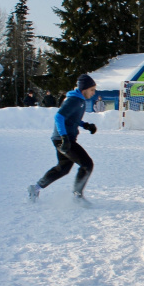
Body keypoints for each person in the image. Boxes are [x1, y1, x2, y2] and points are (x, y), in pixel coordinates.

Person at [28, 74, 98, 205]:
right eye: (92, 90)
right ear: (84, 90)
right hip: (64, 139)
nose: (94, 93)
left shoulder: (80, 100)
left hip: (64, 138)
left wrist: (85, 125)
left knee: (63, 168)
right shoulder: (74, 100)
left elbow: (72, 119)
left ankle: (35, 188)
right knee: (87, 164)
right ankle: (77, 196)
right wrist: (64, 138)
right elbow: (58, 117)